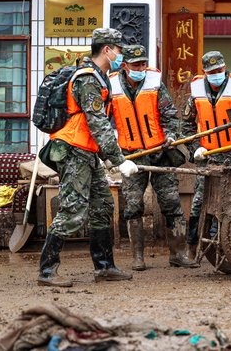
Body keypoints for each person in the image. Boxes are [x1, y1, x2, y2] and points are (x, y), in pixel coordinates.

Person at [38, 28, 138, 287]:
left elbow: (97, 126)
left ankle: (104, 267)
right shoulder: (88, 78)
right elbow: (97, 123)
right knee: (73, 210)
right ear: (107, 50)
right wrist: (118, 160)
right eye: (118, 50)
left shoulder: (99, 76)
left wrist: (105, 156)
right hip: (73, 151)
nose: (120, 55)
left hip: (87, 152)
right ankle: (47, 271)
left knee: (103, 207)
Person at [109, 44, 197, 271]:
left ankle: (178, 253)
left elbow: (169, 114)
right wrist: (112, 152)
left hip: (160, 153)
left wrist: (169, 135)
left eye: (143, 64)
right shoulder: (111, 85)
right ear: (125, 65)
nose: (140, 68)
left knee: (171, 204)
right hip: (132, 155)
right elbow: (104, 121)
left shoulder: (155, 82)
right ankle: (137, 257)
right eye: (136, 64)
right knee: (133, 205)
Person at [182, 51, 231, 257]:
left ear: (225, 68)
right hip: (209, 154)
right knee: (199, 201)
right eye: (212, 71)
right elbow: (187, 125)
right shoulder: (196, 90)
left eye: (220, 70)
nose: (217, 74)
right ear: (205, 72)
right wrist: (195, 147)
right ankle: (191, 247)